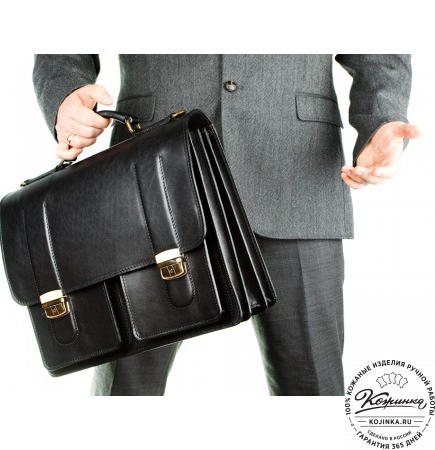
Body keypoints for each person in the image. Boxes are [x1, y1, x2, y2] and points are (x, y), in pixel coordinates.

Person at [33, 55, 420, 396]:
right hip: (151, 175)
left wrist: (381, 120)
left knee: (313, 390)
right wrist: (65, 96)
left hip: (297, 177)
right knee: (126, 391)